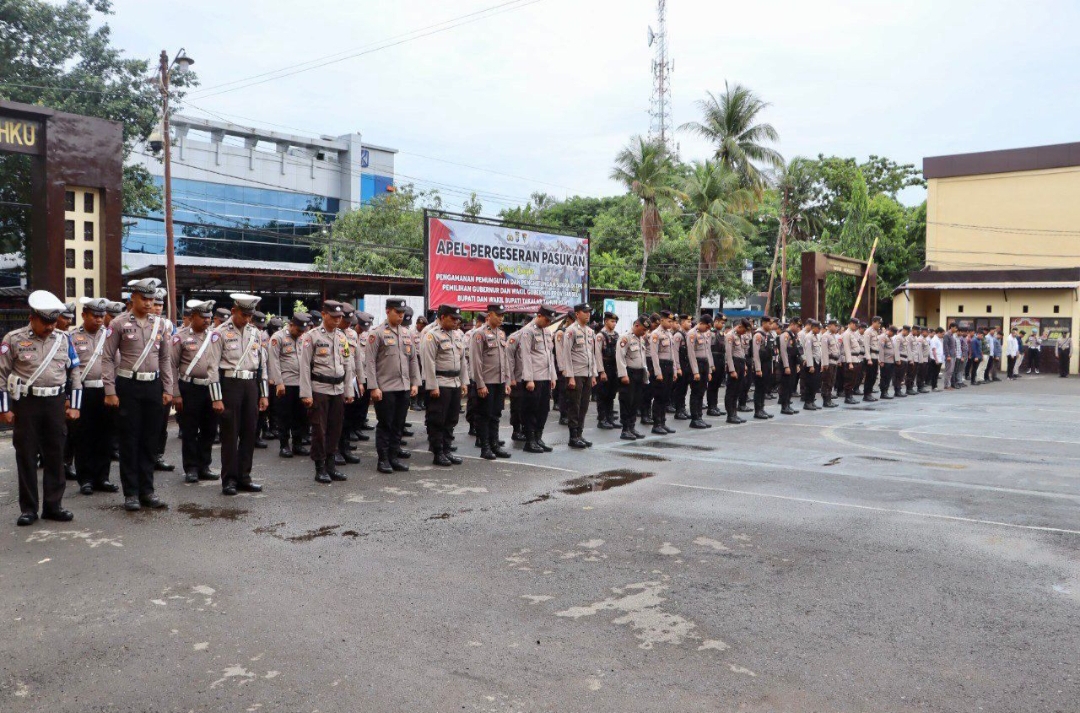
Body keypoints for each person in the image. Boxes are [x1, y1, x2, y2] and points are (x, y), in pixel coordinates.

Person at [0, 291, 82, 526]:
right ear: (32, 317)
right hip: (27, 403)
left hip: (55, 402)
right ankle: (28, 509)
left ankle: (54, 505)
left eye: (53, 322)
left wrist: (75, 405)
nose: (50, 327)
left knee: (56, 454)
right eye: (45, 322)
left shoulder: (64, 339)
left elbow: (74, 371)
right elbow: (1, 375)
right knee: (26, 455)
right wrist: (5, 408)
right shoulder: (13, 339)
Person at [101, 278, 173, 511]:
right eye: (145, 299)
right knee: (130, 440)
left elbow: (164, 359)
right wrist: (110, 390)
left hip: (152, 386)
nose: (150, 303)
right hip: (128, 387)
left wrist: (167, 388)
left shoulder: (160, 324)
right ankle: (131, 493)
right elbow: (108, 357)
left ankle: (148, 491)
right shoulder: (119, 323)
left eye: (152, 299)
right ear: (133, 298)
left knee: (150, 441)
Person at [204, 294, 269, 496]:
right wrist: (216, 398)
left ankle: (244, 477)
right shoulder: (219, 332)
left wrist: (264, 394)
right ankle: (229, 480)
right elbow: (212, 367)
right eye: (244, 315)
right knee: (230, 434)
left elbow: (262, 366)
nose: (247, 319)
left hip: (250, 384)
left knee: (250, 432)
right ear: (233, 311)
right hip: (230, 384)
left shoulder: (255, 333)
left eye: (250, 315)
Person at [299, 301, 356, 483]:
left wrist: (348, 390)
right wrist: (306, 393)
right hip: (319, 389)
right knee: (319, 430)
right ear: (324, 315)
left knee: (335, 429)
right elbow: (304, 367)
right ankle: (320, 468)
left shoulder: (341, 337)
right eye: (334, 317)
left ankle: (331, 467)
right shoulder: (312, 336)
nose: (338, 320)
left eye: (340, 317)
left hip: (337, 389)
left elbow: (347, 364)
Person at [68, 297, 117, 495]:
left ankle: (102, 477)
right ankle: (86, 479)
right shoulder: (72, 337)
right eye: (94, 316)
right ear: (84, 315)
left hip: (106, 391)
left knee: (105, 435)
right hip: (83, 391)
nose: (98, 320)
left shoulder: (110, 335)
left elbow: (117, 363)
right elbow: (68, 368)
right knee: (83, 436)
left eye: (101, 316)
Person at [366, 298, 421, 474]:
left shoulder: (407, 333)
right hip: (385, 388)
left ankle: (394, 457)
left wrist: (415, 383)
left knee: (399, 424)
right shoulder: (377, 333)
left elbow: (412, 359)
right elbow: (370, 362)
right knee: (385, 424)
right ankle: (383, 460)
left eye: (402, 313)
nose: (400, 316)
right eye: (397, 312)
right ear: (388, 311)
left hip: (403, 387)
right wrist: (373, 387)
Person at [171, 299, 220, 484]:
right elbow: (172, 365)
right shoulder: (180, 337)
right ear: (192, 317)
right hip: (189, 388)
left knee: (209, 429)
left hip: (210, 387)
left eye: (209, 317)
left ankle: (204, 466)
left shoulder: (215, 336)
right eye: (203, 317)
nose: (207, 321)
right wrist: (175, 393)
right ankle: (191, 468)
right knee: (190, 430)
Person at [421, 305, 468, 466]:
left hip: (454, 382)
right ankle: (438, 452)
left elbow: (463, 361)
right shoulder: (431, 336)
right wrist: (432, 386)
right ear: (442, 318)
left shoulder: (458, 335)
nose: (456, 322)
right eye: (452, 318)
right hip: (440, 383)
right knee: (437, 419)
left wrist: (464, 382)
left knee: (451, 419)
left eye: (457, 319)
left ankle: (447, 449)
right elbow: (428, 362)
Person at [470, 303, 512, 459]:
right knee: (484, 415)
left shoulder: (501, 334)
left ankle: (495, 444)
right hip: (486, 382)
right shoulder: (479, 334)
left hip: (499, 381)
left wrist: (507, 382)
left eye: (502, 315)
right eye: (498, 315)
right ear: (489, 316)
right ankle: (485, 447)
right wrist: (480, 384)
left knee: (496, 415)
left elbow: (505, 360)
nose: (501, 318)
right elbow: (476, 361)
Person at [268, 312, 310, 459]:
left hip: (302, 384)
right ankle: (284, 445)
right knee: (284, 416)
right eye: (298, 330)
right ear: (291, 325)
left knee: (301, 416)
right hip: (285, 384)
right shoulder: (278, 337)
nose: (300, 333)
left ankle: (298, 444)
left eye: (302, 331)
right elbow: (273, 362)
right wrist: (279, 383)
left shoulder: (304, 337)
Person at [559, 303, 601, 449]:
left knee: (584, 405)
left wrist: (594, 374)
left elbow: (593, 354)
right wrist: (569, 376)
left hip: (588, 373)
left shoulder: (590, 332)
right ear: (577, 314)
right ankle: (573, 436)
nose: (588, 314)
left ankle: (580, 433)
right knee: (574, 406)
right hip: (576, 373)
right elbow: (566, 355)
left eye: (589, 312)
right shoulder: (570, 331)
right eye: (585, 312)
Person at [517, 305, 558, 453]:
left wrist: (553, 376)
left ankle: (538, 437)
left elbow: (550, 355)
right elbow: (525, 356)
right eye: (547, 319)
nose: (548, 322)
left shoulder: (547, 332)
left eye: (550, 320)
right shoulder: (528, 331)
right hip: (534, 378)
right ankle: (530, 440)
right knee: (531, 410)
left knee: (543, 409)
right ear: (539, 316)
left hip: (546, 377)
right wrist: (529, 379)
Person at [615, 316, 649, 440]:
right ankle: (625, 429)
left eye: (646, 330)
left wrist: (646, 370)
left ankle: (632, 427)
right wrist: (623, 374)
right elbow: (620, 357)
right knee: (626, 401)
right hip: (629, 373)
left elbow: (642, 356)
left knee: (636, 401)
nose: (644, 332)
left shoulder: (641, 339)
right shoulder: (625, 338)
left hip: (639, 373)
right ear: (636, 325)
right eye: (643, 329)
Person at [648, 310, 679, 434]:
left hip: (669, 366)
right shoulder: (656, 334)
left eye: (672, 321)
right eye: (669, 321)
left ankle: (663, 422)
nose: (671, 323)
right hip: (661, 366)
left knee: (666, 396)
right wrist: (657, 372)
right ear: (662, 320)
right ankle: (656, 424)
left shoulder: (670, 334)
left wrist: (675, 370)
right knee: (659, 396)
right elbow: (654, 354)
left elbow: (673, 355)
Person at [685, 315, 714, 428]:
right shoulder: (692, 334)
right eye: (706, 327)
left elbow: (707, 352)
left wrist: (709, 370)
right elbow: (691, 354)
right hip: (696, 364)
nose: (707, 329)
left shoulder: (703, 334)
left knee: (702, 392)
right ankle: (694, 419)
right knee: (696, 392)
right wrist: (695, 371)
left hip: (704, 364)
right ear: (701, 323)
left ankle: (700, 417)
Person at [594, 311, 620, 429]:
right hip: (605, 366)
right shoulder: (600, 336)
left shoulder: (616, 335)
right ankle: (602, 419)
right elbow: (597, 354)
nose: (614, 324)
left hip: (614, 366)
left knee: (611, 394)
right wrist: (601, 371)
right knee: (603, 394)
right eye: (612, 321)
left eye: (615, 322)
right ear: (605, 321)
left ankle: (610, 417)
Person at [724, 319, 750, 424]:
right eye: (744, 330)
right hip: (734, 364)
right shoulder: (730, 335)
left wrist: (744, 367)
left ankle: (734, 413)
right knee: (731, 391)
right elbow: (728, 354)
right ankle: (730, 415)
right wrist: (731, 369)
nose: (745, 333)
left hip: (740, 363)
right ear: (739, 326)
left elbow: (742, 351)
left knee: (737, 390)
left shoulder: (740, 336)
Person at [777, 320, 800, 415]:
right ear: (792, 324)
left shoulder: (793, 335)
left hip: (793, 362)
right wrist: (786, 366)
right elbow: (783, 352)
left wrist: (797, 364)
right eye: (797, 326)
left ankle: (788, 404)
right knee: (785, 385)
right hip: (787, 362)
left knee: (790, 385)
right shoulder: (785, 335)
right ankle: (784, 406)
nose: (798, 328)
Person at [706, 314, 727, 416]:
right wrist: (710, 364)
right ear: (716, 322)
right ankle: (710, 407)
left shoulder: (722, 334)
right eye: (721, 323)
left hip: (721, 359)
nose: (722, 325)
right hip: (714, 359)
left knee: (717, 384)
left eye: (723, 323)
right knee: (712, 385)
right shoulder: (710, 333)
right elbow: (708, 350)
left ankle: (715, 405)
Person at [862, 316, 882, 401]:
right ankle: (866, 394)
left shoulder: (875, 332)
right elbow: (866, 346)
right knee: (869, 376)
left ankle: (869, 393)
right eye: (878, 323)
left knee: (874, 376)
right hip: (870, 357)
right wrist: (868, 359)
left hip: (875, 357)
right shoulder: (868, 332)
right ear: (873, 322)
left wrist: (878, 358)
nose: (879, 325)